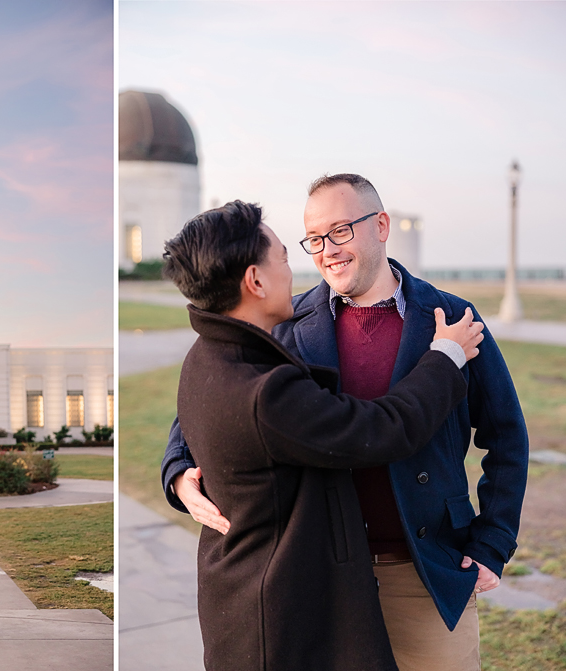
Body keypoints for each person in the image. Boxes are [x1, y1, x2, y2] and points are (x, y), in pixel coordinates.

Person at [162, 176, 529, 670]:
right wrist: (179, 473)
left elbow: (506, 436)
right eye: (313, 239)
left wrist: (493, 541)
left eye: (340, 232)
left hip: (424, 572)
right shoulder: (286, 323)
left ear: (380, 226)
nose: (325, 251)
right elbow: (208, 405)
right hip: (322, 585)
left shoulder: (451, 319)